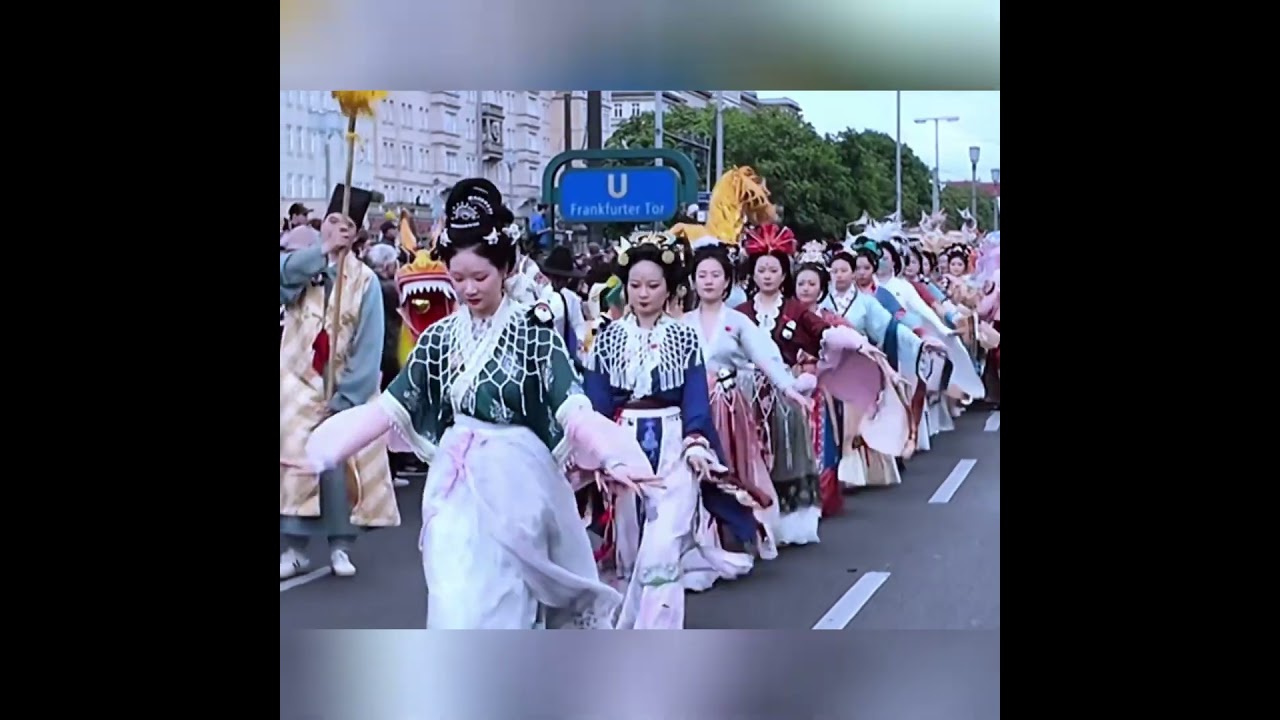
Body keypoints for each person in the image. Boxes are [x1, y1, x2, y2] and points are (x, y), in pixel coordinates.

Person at [283, 178, 655, 629]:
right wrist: (322, 449)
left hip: (517, 486)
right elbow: (391, 406)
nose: (469, 289)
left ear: (506, 270)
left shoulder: (533, 332)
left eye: (480, 277)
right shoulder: (439, 337)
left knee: (505, 600)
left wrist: (616, 454)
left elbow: (571, 406)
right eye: (457, 278)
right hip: (455, 489)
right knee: (454, 598)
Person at [584, 230, 753, 628]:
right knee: (629, 549)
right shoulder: (605, 339)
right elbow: (596, 404)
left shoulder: (684, 337)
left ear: (670, 288)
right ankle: (628, 627)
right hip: (623, 445)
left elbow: (696, 398)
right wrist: (599, 454)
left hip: (675, 442)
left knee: (662, 549)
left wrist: (697, 441)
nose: (643, 293)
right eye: (635, 285)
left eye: (653, 285)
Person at [279, 188, 398, 580]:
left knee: (340, 466)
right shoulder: (305, 265)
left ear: (358, 234)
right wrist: (323, 251)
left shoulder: (365, 282)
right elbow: (284, 280)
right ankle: (295, 547)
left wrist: (349, 395)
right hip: (297, 382)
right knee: (296, 464)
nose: (337, 231)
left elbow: (370, 342)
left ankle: (340, 545)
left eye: (346, 226)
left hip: (342, 383)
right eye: (331, 222)